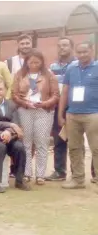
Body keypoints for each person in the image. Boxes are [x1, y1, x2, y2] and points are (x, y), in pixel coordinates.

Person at [11, 49, 59, 185]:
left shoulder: (49, 75)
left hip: (43, 111)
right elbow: (13, 94)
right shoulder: (19, 75)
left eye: (37, 62)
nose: (34, 65)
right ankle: (26, 173)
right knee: (26, 142)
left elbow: (56, 95)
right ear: (26, 62)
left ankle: (40, 175)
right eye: (31, 62)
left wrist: (44, 103)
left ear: (42, 62)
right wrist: (25, 103)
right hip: (25, 110)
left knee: (42, 143)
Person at [59, 41, 98, 189]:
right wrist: (61, 114)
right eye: (79, 52)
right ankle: (78, 179)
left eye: (85, 52)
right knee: (74, 147)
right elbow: (65, 92)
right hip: (72, 114)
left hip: (94, 114)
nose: (82, 55)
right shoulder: (71, 68)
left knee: (96, 148)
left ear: (92, 50)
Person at [46, 37, 76, 182]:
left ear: (72, 47)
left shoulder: (77, 65)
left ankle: (77, 172)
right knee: (59, 140)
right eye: (59, 46)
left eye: (65, 45)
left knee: (75, 141)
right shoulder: (52, 67)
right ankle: (59, 171)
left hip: (75, 107)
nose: (62, 48)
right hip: (58, 107)